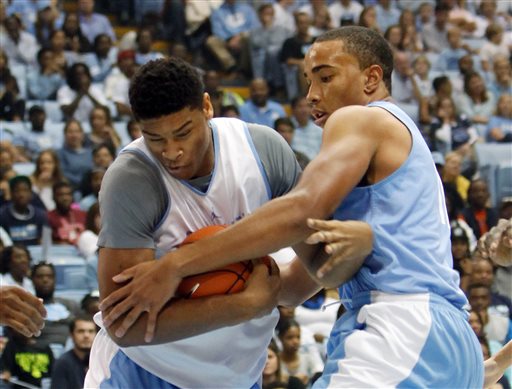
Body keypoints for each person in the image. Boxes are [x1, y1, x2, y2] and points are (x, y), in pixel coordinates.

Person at [100, 26, 485, 388]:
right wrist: (248, 301)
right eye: (308, 81)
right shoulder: (132, 177)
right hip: (438, 332)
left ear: (371, 79)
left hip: (401, 326)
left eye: (326, 77)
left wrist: (177, 264)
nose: (311, 95)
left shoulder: (355, 121)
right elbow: (318, 272)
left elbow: (302, 211)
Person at [84, 57, 370, 388]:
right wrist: (241, 306)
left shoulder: (263, 153)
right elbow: (125, 326)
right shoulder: (132, 179)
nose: (172, 151)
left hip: (236, 377)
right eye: (155, 138)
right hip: (143, 372)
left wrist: (354, 244)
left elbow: (299, 283)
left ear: (207, 107)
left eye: (183, 133)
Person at [50, 315, 97, 389]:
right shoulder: (63, 363)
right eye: (81, 331)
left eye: (91, 331)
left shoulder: (102, 361)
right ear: (72, 335)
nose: (86, 335)